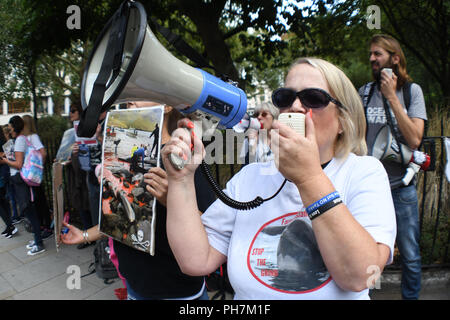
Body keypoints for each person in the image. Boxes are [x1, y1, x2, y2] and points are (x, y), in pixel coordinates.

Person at [163, 57, 397, 300]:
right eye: (285, 98)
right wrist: (181, 180)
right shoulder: (250, 177)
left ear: (343, 122)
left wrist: (308, 178)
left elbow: (361, 277)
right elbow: (195, 260)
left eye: (314, 98)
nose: (295, 107)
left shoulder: (364, 172)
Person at [61, 102, 217, 300]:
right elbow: (120, 216)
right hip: (135, 284)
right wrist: (84, 235)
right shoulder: (124, 156)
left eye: (140, 93)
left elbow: (211, 226)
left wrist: (172, 200)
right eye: (128, 97)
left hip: (177, 289)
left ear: (167, 106)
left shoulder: (185, 158)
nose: (130, 102)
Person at [359, 34, 427, 300]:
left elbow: (414, 138)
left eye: (378, 54)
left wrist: (392, 97)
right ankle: (363, 295)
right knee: (365, 250)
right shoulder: (364, 92)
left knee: (409, 254)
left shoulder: (412, 92)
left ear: (394, 58)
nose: (372, 59)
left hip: (401, 188)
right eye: (371, 54)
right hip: (370, 190)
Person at [0, 116, 45, 255]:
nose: (9, 129)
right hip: (19, 179)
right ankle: (37, 239)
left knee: (29, 210)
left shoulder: (20, 140)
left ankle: (39, 243)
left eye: (10, 127)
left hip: (21, 179)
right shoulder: (19, 139)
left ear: (15, 127)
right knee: (28, 210)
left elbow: (18, 164)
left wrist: (5, 161)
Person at [22, 115, 53, 240]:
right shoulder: (25, 137)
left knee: (40, 200)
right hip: (30, 175)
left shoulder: (33, 137)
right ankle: (41, 224)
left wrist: (39, 168)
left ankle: (47, 226)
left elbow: (43, 152)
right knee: (36, 200)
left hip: (34, 175)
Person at [0, 127, 18, 238]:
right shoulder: (2, 140)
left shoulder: (1, 141)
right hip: (3, 174)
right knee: (3, 200)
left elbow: (4, 156)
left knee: (2, 201)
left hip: (1, 174)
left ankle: (10, 225)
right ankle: (9, 225)